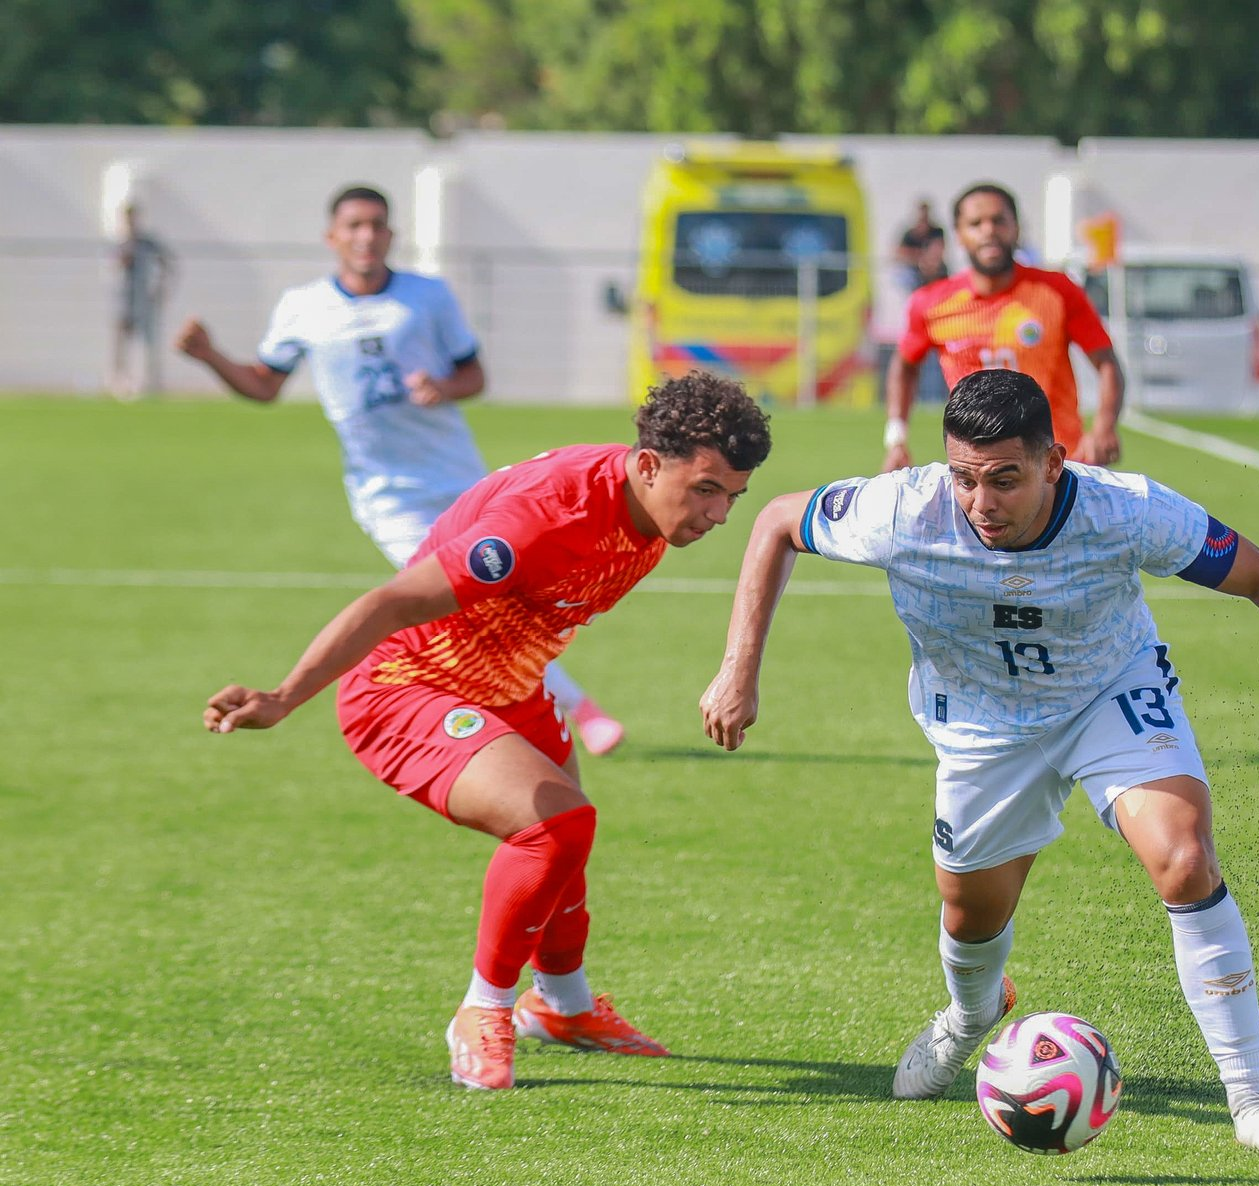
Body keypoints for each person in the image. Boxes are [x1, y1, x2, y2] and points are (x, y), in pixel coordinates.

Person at [701, 368, 1259, 1155]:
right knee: (971, 918)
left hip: (1108, 693)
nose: (982, 502)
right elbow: (772, 521)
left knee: (1183, 858)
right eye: (966, 478)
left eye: (1005, 479)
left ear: (1055, 463)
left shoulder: (1127, 510)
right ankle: (970, 1015)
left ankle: (1253, 1096)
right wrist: (740, 666)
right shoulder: (902, 509)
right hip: (980, 728)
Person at [202, 372, 773, 1091]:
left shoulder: (647, 506)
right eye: (707, 490)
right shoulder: (545, 519)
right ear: (650, 464)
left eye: (733, 497)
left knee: (569, 837)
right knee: (555, 826)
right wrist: (284, 697)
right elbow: (388, 603)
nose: (719, 514)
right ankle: (483, 1009)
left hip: (509, 683)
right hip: (407, 686)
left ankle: (562, 1005)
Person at [175, 185, 628, 753]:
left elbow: (475, 376)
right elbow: (264, 386)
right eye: (355, 225)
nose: (367, 236)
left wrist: (443, 387)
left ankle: (529, 711)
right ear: (332, 237)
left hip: (461, 479)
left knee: (509, 599)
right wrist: (211, 356)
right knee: (470, 602)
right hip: (387, 497)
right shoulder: (303, 307)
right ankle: (581, 713)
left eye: (377, 225)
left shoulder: (427, 297)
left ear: (391, 235)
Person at [884, 183, 1125, 472]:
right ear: (959, 235)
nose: (989, 230)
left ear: (1017, 228)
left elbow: (1106, 362)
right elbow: (904, 366)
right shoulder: (931, 303)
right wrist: (897, 438)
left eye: (999, 220)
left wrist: (1103, 426)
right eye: (976, 223)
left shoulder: (1057, 291)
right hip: (978, 474)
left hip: (1058, 464)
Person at [112, 203, 173, 400]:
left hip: (144, 301)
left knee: (148, 343)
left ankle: (150, 383)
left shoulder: (147, 242)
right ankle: (121, 383)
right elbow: (111, 269)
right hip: (124, 301)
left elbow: (167, 263)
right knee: (122, 343)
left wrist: (160, 289)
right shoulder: (120, 243)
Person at [896, 199, 948, 289]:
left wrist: (928, 260)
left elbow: (938, 249)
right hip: (915, 272)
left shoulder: (937, 231)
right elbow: (899, 253)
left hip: (936, 270)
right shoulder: (909, 233)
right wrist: (919, 257)